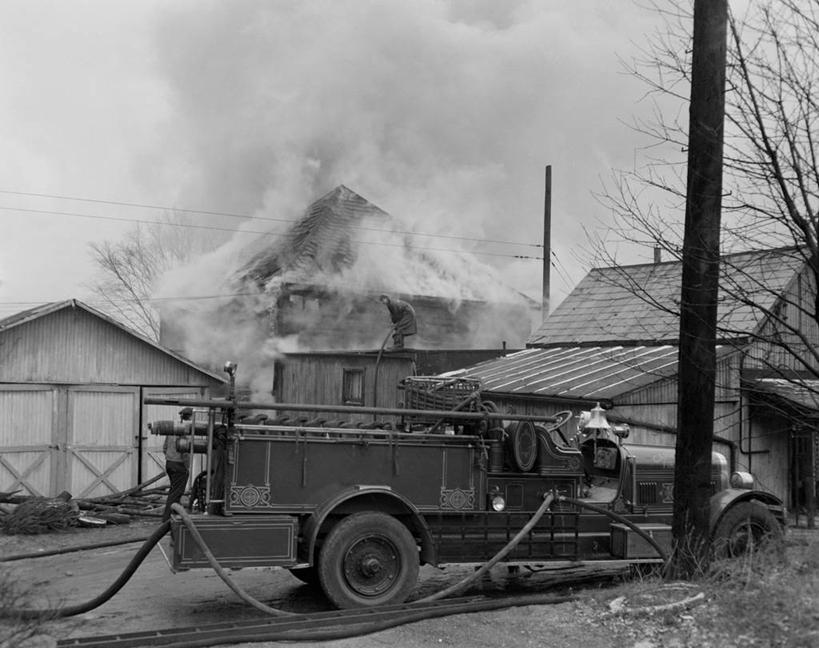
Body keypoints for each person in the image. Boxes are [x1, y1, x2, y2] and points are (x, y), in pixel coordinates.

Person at [161, 407, 192, 522]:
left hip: (169, 463)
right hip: (179, 465)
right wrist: (187, 466)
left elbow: (164, 448)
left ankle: (173, 516)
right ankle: (167, 519)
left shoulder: (172, 430)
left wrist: (170, 458)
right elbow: (185, 452)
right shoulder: (185, 430)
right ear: (190, 417)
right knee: (176, 493)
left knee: (174, 491)